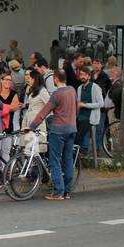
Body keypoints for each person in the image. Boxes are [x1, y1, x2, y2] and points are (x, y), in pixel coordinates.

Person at [28, 68, 78, 200]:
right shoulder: (72, 90)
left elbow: (44, 112)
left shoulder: (56, 94)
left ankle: (58, 192)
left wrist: (31, 126)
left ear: (55, 79)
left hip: (58, 130)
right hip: (71, 129)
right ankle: (67, 190)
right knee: (68, 159)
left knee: (55, 160)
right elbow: (76, 107)